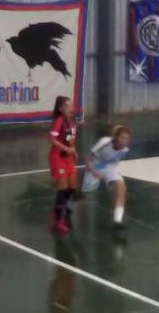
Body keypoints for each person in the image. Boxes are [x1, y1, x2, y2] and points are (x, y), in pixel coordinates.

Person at [81, 125, 131, 230]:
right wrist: (93, 171)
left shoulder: (125, 150)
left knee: (121, 187)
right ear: (116, 137)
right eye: (122, 138)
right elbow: (88, 158)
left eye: (127, 139)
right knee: (81, 194)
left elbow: (114, 163)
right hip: (95, 167)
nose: (125, 141)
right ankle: (68, 208)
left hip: (110, 169)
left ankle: (117, 220)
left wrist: (113, 183)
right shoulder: (104, 142)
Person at [48, 96, 79, 234]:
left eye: (71, 105)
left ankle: (58, 210)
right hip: (57, 157)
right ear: (60, 109)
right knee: (63, 189)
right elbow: (51, 138)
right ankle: (58, 220)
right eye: (67, 106)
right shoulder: (59, 121)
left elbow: (71, 139)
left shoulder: (72, 122)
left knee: (72, 188)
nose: (70, 108)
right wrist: (66, 149)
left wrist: (74, 151)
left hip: (68, 158)